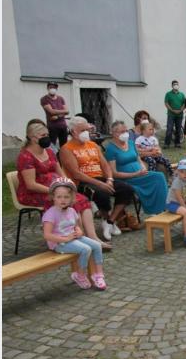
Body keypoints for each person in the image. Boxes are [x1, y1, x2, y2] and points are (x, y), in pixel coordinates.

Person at [17, 119, 111, 250]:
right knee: (70, 202)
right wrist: (54, 191)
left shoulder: (49, 152)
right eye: (43, 136)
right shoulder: (25, 157)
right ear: (32, 138)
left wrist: (68, 185)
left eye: (47, 135)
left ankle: (92, 238)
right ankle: (78, 238)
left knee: (82, 200)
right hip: (35, 192)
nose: (47, 138)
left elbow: (61, 173)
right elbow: (31, 184)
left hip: (56, 189)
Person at [60, 116, 135, 241]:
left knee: (126, 189)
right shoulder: (66, 149)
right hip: (82, 182)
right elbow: (76, 173)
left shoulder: (93, 145)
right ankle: (105, 218)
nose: (86, 133)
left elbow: (105, 164)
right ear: (73, 132)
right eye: (82, 130)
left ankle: (110, 221)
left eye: (87, 130)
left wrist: (109, 179)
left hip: (100, 178)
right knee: (102, 193)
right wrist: (100, 184)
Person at [42, 178, 107, 290]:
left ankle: (98, 275)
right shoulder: (50, 214)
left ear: (72, 198)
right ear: (53, 197)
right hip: (59, 243)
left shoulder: (71, 211)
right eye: (59, 197)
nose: (63, 200)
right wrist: (66, 239)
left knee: (96, 245)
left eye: (66, 197)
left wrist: (79, 231)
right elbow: (47, 235)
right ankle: (80, 275)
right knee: (85, 249)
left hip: (73, 238)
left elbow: (76, 225)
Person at [104, 121, 168, 216]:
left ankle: (161, 207)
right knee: (157, 178)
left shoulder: (130, 143)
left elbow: (138, 159)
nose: (125, 134)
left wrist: (143, 168)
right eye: (122, 132)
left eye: (126, 131)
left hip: (140, 174)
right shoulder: (111, 149)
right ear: (114, 133)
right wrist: (135, 174)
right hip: (127, 178)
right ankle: (155, 209)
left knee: (159, 177)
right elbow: (114, 173)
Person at [40, 82, 69, 148]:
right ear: (47, 88)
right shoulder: (44, 99)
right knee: (52, 146)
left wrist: (58, 116)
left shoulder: (60, 98)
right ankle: (53, 158)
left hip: (63, 126)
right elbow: (51, 112)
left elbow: (67, 111)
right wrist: (62, 112)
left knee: (64, 146)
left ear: (56, 89)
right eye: (51, 87)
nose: (52, 89)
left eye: (54, 87)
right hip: (52, 127)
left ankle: (62, 158)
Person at [164, 80, 186, 148]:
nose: (176, 85)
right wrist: (172, 110)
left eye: (177, 84)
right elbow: (166, 103)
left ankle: (177, 143)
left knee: (178, 129)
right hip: (171, 114)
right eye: (174, 84)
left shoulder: (182, 94)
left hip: (180, 115)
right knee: (169, 129)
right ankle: (167, 144)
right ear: (172, 86)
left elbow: (184, 103)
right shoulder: (168, 94)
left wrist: (180, 110)